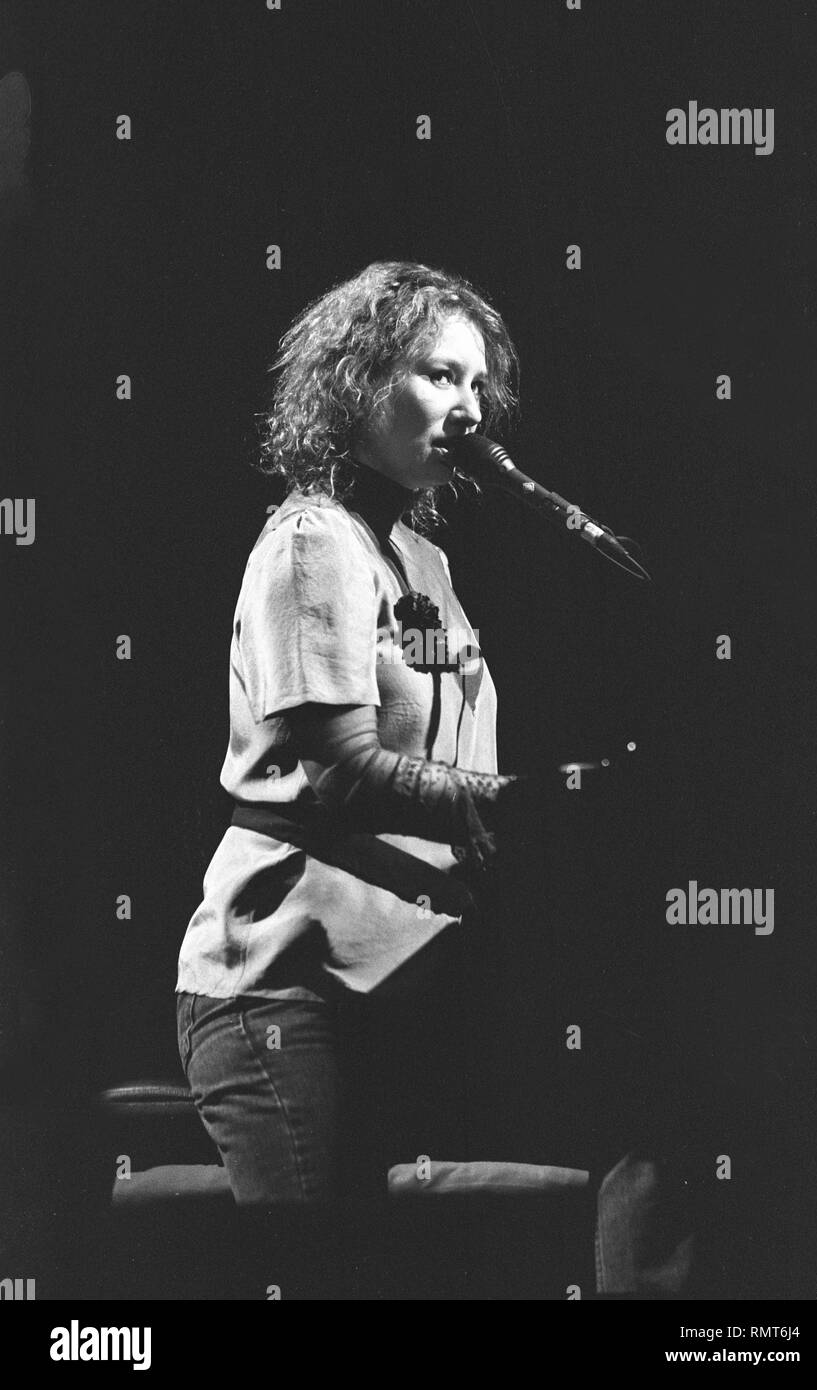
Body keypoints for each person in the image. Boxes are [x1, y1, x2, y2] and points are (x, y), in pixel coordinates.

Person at [175, 261, 549, 1295]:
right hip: (286, 988)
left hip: (405, 983)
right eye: (438, 375)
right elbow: (339, 769)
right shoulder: (311, 543)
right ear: (356, 381)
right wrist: (518, 803)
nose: (468, 410)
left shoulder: (424, 562)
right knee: (318, 1277)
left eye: (478, 385)